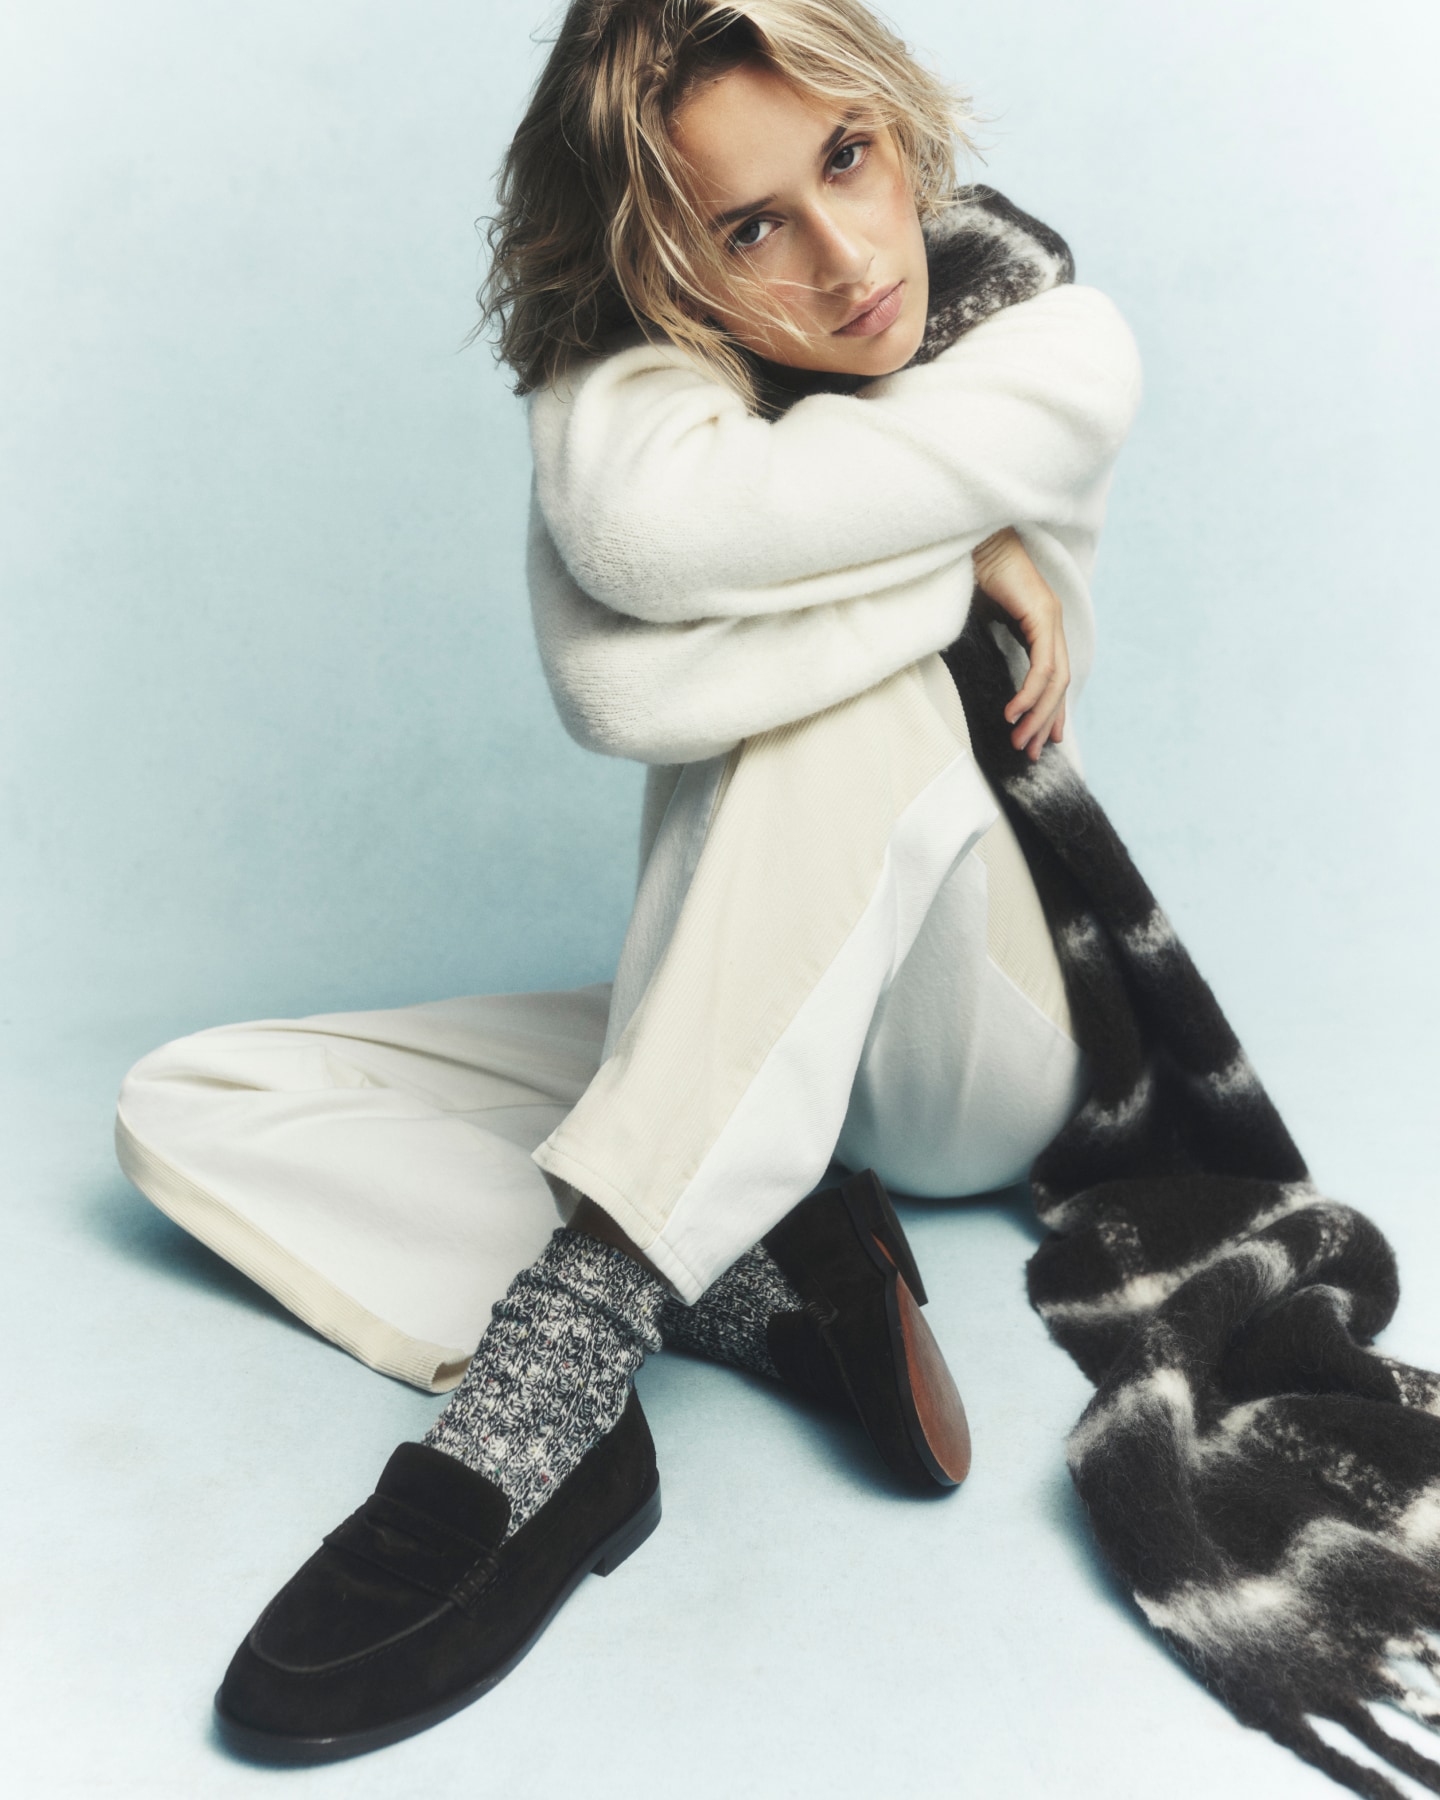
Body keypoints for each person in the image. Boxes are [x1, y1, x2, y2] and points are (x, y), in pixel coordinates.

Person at [114, 0, 1140, 1763]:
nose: (845, 258)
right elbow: (621, 678)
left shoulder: (1031, 328)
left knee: (860, 697)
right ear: (666, 260)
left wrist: (868, 603)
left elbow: (665, 628)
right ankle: (752, 1267)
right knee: (193, 1100)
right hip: (770, 1020)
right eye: (750, 227)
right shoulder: (650, 410)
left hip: (978, 1043)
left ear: (897, 124)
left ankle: (568, 1372)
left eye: (848, 157)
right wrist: (958, 561)